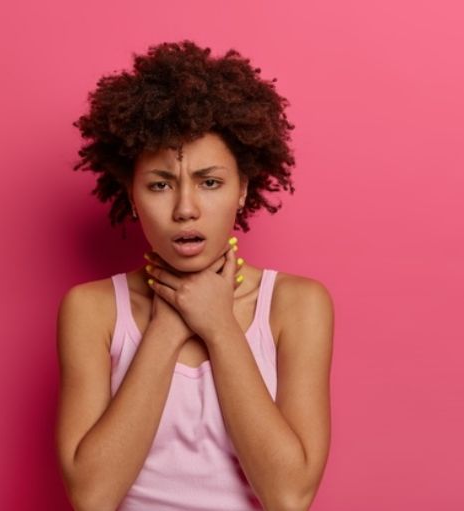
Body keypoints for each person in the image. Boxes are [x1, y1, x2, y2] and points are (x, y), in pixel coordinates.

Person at [56, 40, 334, 511]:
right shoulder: (92, 309)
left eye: (210, 182)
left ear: (242, 189)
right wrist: (169, 323)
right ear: (132, 194)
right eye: (160, 185)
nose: (185, 209)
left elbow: (289, 497)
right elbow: (92, 497)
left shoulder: (297, 305)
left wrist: (219, 325)